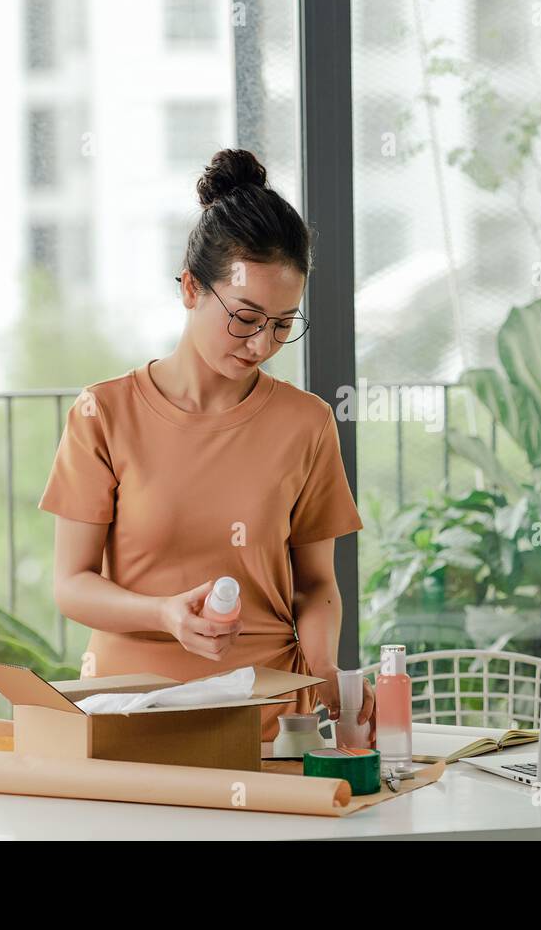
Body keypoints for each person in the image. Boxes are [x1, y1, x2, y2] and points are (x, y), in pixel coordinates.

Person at [38, 147, 373, 742]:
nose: (261, 343)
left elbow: (316, 583)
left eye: (282, 323)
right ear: (191, 288)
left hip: (269, 720)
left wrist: (324, 672)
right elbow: (72, 583)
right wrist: (163, 615)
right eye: (245, 317)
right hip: (130, 716)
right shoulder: (104, 414)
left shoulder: (307, 424)